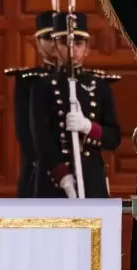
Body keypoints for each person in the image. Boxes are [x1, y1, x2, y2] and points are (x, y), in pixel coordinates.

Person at [29, 12, 120, 198]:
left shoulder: (99, 85)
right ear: (54, 45)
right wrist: (64, 178)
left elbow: (113, 138)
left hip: (91, 177)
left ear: (87, 47)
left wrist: (88, 127)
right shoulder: (43, 86)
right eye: (64, 43)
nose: (72, 50)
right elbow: (41, 141)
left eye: (78, 44)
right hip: (55, 180)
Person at [6, 11, 57, 197]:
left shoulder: (85, 80)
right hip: (39, 164)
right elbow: (23, 127)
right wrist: (40, 160)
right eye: (47, 37)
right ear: (37, 42)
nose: (53, 43)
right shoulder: (29, 80)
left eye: (58, 37)